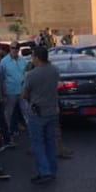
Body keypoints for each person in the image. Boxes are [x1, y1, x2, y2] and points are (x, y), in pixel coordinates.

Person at [22, 47, 60, 184]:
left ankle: (44, 172)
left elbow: (24, 94)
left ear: (37, 57)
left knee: (37, 143)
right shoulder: (55, 70)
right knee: (50, 141)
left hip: (37, 112)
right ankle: (52, 169)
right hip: (52, 110)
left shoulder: (32, 74)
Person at [0, 42, 29, 139]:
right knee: (8, 113)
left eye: (17, 48)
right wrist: (3, 93)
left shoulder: (23, 60)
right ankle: (6, 134)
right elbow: (2, 78)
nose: (15, 50)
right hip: (10, 92)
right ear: (9, 49)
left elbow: (26, 75)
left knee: (27, 112)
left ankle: (32, 132)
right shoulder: (4, 62)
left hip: (22, 91)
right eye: (13, 48)